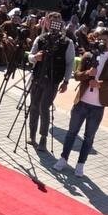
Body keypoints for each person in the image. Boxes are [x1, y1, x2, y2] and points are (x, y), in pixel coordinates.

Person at [53, 27, 108, 177]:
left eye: (105, 39)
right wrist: (87, 73)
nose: (102, 42)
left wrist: (101, 84)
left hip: (98, 106)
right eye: (100, 39)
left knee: (89, 137)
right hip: (81, 102)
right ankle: (63, 159)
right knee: (71, 133)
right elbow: (77, 75)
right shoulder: (88, 55)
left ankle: (80, 164)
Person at [27, 17, 74, 147]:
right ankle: (32, 135)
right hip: (37, 78)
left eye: (57, 22)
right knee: (34, 106)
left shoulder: (67, 43)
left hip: (53, 81)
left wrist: (66, 81)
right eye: (51, 22)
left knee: (44, 107)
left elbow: (70, 63)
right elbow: (30, 56)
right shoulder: (41, 38)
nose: (54, 25)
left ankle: (43, 137)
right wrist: (35, 57)